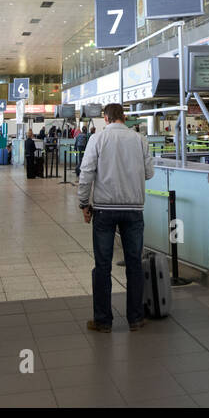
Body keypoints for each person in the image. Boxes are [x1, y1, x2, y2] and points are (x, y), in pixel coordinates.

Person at [77, 103, 154, 333]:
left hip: (104, 209)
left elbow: (86, 173)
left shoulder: (98, 139)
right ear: (124, 117)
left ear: (106, 118)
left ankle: (103, 321)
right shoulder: (139, 139)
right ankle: (136, 319)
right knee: (134, 265)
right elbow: (149, 173)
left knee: (102, 266)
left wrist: (83, 204)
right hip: (133, 209)